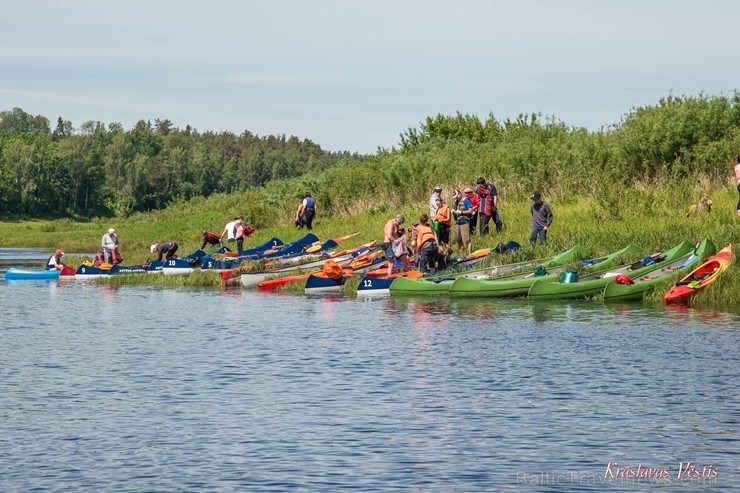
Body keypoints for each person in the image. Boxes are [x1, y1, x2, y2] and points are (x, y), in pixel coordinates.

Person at [453, 187, 474, 256]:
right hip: (457, 223)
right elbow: (454, 210)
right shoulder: (456, 202)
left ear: (460, 194)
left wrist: (461, 212)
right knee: (459, 240)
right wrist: (453, 212)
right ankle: (460, 255)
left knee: (467, 240)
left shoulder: (466, 200)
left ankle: (470, 255)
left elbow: (470, 211)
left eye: (457, 196)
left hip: (464, 222)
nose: (456, 198)